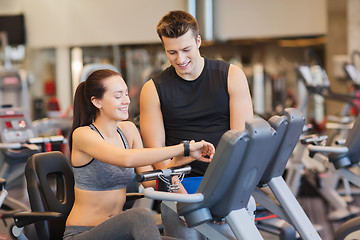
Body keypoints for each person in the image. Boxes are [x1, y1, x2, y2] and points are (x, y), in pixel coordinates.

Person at [139, 10, 254, 239]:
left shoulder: (231, 75)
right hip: (179, 187)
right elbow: (157, 155)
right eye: (172, 52)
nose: (180, 59)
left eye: (186, 50)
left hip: (226, 184)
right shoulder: (152, 89)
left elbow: (241, 143)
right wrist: (179, 195)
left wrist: (226, 196)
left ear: (198, 41)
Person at [63, 69, 215, 240]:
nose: (126, 101)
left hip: (120, 234)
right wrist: (184, 148)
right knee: (140, 215)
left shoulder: (128, 131)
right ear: (97, 101)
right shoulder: (83, 135)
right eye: (118, 96)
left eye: (126, 94)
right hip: (84, 233)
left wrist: (174, 163)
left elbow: (150, 180)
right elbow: (126, 159)